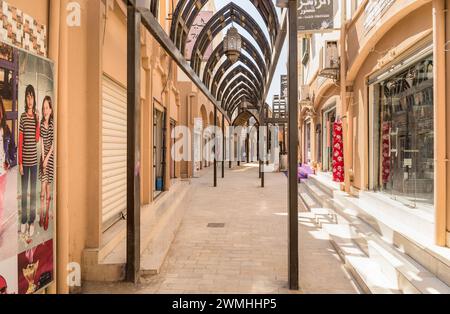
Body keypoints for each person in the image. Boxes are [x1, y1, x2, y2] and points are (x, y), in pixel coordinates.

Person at [19, 85, 40, 239]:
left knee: (32, 193)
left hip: (34, 163)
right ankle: (24, 220)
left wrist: (38, 121)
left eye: (32, 97)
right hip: (24, 163)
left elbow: (37, 138)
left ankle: (32, 221)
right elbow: (20, 142)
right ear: (26, 98)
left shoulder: (35, 117)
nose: (30, 99)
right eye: (28, 96)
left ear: (34, 99)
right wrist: (19, 163)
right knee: (24, 192)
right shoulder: (22, 117)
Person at [38, 96, 54, 231]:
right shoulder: (41, 124)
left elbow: (53, 145)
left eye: (47, 108)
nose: (45, 110)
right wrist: (43, 159)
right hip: (43, 160)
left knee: (48, 189)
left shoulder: (53, 124)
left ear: (51, 109)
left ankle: (47, 215)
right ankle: (42, 214)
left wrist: (47, 158)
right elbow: (42, 143)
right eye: (43, 108)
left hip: (51, 159)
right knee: (42, 190)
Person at [0, 96, 14, 235]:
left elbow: (12, 148)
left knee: (1, 202)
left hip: (2, 172)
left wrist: (9, 161)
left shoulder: (5, 129)